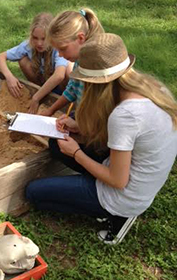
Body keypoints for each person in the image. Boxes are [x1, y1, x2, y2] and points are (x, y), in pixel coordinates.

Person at [26, 33, 177, 245]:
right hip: (137, 177)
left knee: (33, 193)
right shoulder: (153, 89)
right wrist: (79, 127)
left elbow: (118, 181)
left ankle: (117, 216)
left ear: (97, 83)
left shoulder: (125, 115)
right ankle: (88, 187)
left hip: (124, 194)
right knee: (56, 144)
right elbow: (126, 137)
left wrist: (76, 153)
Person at [40, 8, 108, 174]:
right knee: (64, 123)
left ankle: (95, 172)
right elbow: (71, 90)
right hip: (89, 119)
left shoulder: (97, 69)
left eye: (63, 49)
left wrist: (82, 129)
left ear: (80, 38)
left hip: (105, 133)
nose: (61, 56)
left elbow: (104, 119)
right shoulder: (80, 59)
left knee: (56, 144)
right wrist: (50, 110)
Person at [0, 12, 73, 114]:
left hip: (62, 87)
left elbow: (59, 75)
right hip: (43, 83)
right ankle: (39, 91)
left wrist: (36, 98)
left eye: (43, 38)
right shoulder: (28, 45)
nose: (39, 43)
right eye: (35, 38)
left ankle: (66, 99)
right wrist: (10, 77)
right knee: (23, 60)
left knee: (68, 68)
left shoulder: (58, 47)